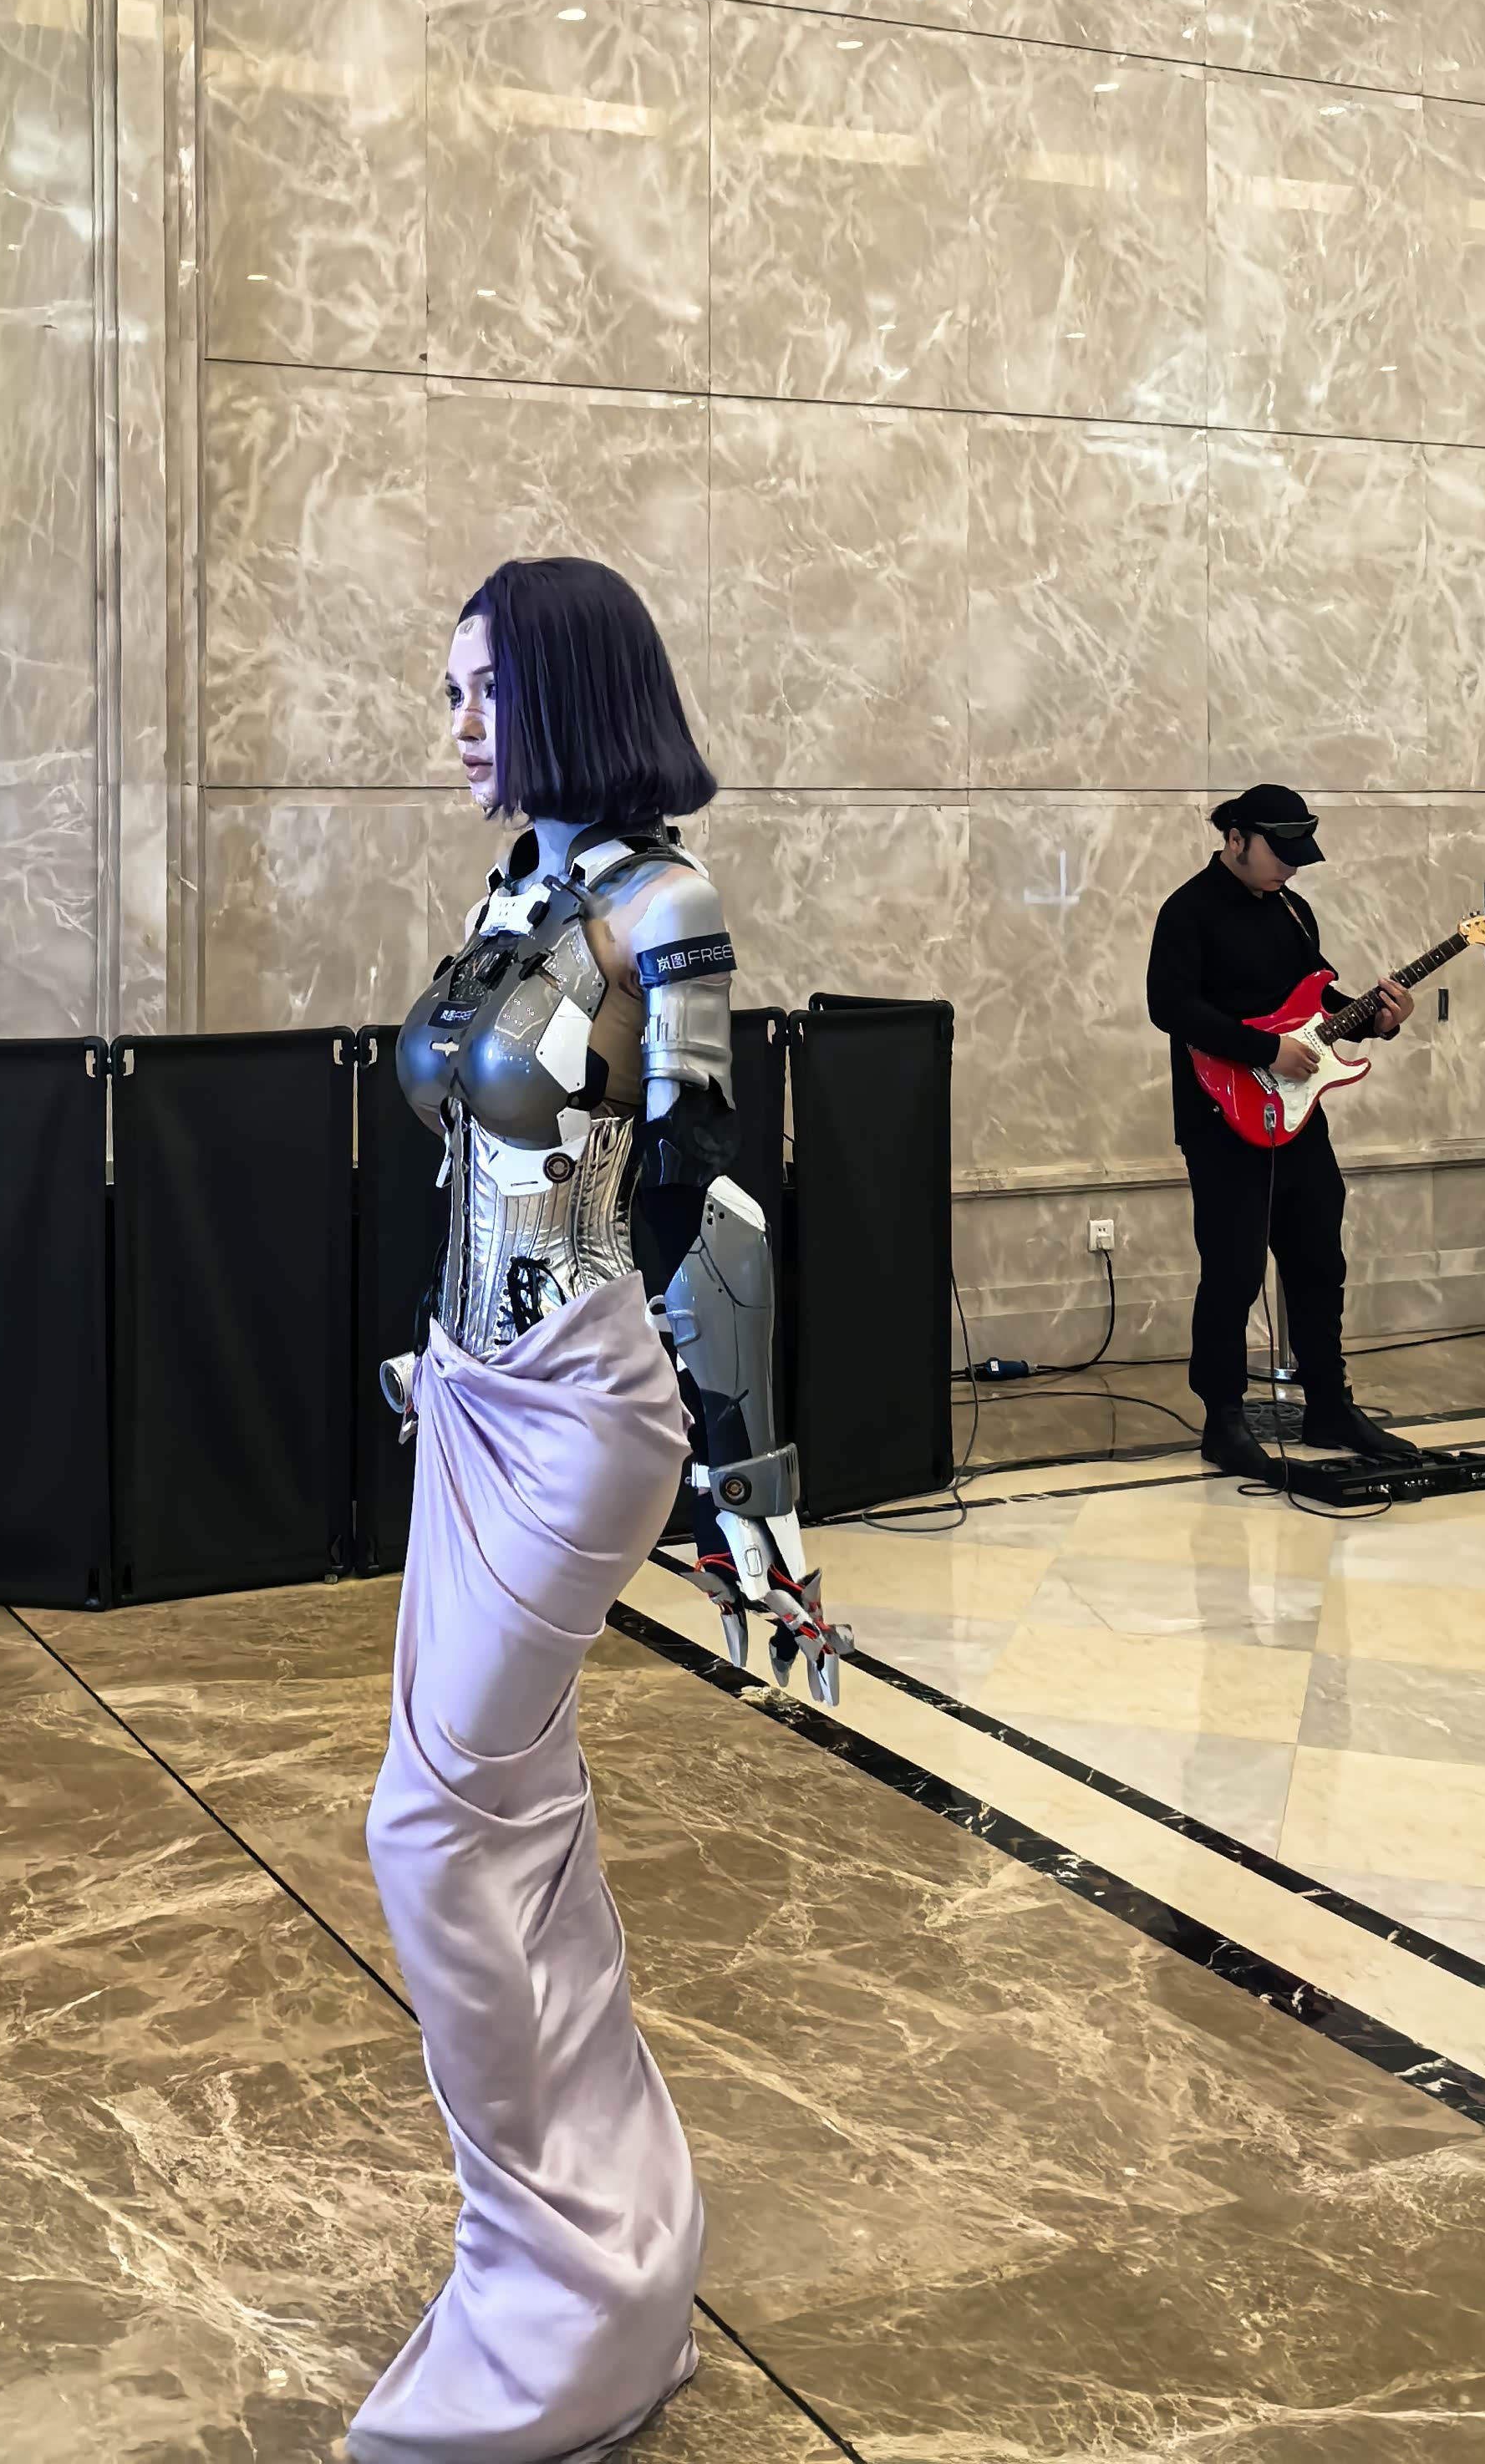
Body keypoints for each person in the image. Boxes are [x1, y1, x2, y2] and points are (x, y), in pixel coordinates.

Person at [357, 556, 840, 2464]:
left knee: (430, 1830)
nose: (457, 724)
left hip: (581, 1399)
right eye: (449, 691)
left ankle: (555, 2278)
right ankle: (612, 2262)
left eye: (483, 689)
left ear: (569, 692)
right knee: (518, 1823)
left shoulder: (662, 906)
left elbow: (705, 1191)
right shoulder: (514, 892)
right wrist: (434, 1351)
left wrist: (754, 1490)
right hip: (475, 1395)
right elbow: (479, 1161)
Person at [1145, 786, 1421, 1481]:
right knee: (1233, 1272)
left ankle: (1329, 1405)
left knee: (1320, 1264)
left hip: (1297, 1117)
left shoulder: (1294, 910)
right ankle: (1223, 1421)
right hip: (1220, 1119)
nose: (1291, 869)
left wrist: (1377, 1019)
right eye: (1281, 854)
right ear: (1236, 838)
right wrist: (1264, 1051)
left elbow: (1315, 1005)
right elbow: (1169, 1006)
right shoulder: (1188, 910)